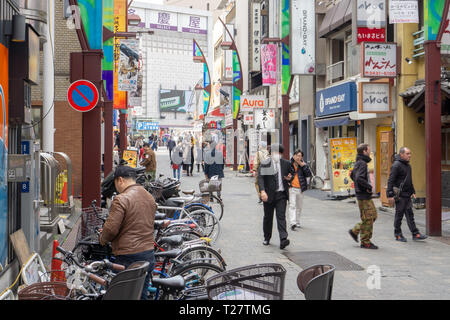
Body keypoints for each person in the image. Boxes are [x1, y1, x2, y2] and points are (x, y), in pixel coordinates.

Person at [99, 165, 156, 300]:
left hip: (128, 257)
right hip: (148, 253)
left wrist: (102, 239)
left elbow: (111, 229)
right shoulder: (148, 196)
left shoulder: (121, 199)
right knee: (140, 295)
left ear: (120, 180)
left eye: (115, 184)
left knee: (119, 295)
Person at [387, 147, 427, 242]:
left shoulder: (408, 166)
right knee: (399, 215)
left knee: (410, 215)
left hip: (407, 194)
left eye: (410, 153)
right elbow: (390, 180)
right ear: (401, 154)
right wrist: (390, 195)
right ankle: (398, 235)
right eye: (407, 153)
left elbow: (409, 180)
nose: (410, 155)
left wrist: (413, 191)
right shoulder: (396, 165)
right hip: (400, 195)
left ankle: (415, 234)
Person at [257, 143, 291, 250]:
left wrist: (290, 177)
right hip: (269, 194)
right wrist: (262, 191)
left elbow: (291, 174)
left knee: (281, 216)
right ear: (271, 153)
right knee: (268, 217)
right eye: (275, 152)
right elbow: (261, 178)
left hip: (281, 194)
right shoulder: (265, 163)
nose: (277, 154)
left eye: (279, 152)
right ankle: (267, 237)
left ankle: (283, 239)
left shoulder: (286, 163)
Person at [348, 144, 378, 249]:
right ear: (364, 151)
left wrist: (359, 186)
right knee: (369, 218)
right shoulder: (362, 163)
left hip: (363, 194)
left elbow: (352, 175)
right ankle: (365, 241)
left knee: (372, 216)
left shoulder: (359, 162)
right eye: (369, 150)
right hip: (363, 195)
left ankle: (355, 231)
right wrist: (367, 186)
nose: (370, 152)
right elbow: (358, 178)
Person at [288, 149, 312, 231]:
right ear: (294, 156)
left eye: (300, 156)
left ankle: (297, 222)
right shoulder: (289, 164)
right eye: (297, 155)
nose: (298, 157)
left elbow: (308, 175)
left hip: (300, 188)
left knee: (299, 207)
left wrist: (303, 166)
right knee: (292, 205)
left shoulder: (303, 165)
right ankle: (292, 222)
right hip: (292, 188)